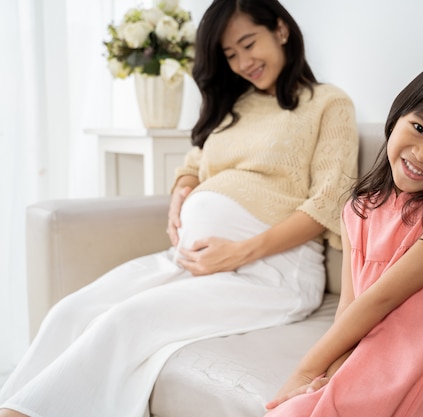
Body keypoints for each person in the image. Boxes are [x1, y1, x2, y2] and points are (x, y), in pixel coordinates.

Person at [0, 0, 358, 416]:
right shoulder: (236, 106)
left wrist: (242, 250)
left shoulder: (329, 103)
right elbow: (193, 164)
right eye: (230, 55)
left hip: (274, 272)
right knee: (71, 311)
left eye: (248, 43)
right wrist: (181, 196)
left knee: (126, 320)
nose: (243, 62)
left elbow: (330, 203)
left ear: (280, 29)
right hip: (191, 261)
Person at [264, 55, 423, 417]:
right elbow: (350, 309)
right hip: (373, 356)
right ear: (399, 114)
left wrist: (305, 370)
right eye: (419, 127)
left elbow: (379, 301)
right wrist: (334, 372)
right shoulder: (359, 209)